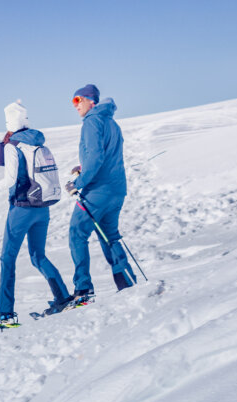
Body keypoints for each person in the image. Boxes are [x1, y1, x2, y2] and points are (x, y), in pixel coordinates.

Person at [0, 101, 71, 324]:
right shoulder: (35, 143)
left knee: (7, 258)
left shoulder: (12, 146)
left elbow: (11, 180)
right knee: (38, 256)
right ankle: (62, 297)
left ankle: (5, 312)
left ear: (9, 123)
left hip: (21, 209)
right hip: (42, 208)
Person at [66, 84, 136, 301]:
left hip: (98, 190)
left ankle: (83, 289)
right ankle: (127, 282)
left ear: (90, 101)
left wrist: (79, 182)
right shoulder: (112, 123)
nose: (75, 105)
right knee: (110, 236)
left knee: (77, 233)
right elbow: (105, 156)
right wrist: (83, 167)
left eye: (78, 100)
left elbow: (96, 157)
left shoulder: (92, 121)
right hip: (116, 189)